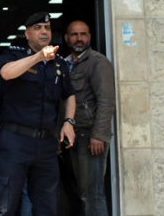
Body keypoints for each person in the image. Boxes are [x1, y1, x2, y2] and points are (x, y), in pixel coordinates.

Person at [0, 12, 76, 216]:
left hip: (46, 144)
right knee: (4, 204)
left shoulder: (59, 63)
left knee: (47, 205)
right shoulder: (14, 54)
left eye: (47, 28)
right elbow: (6, 73)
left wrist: (69, 121)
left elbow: (69, 94)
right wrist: (38, 57)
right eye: (38, 28)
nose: (44, 31)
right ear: (27, 34)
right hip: (15, 140)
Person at [64, 20, 116, 216]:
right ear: (67, 38)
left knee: (93, 194)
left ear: (89, 37)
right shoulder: (65, 64)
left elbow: (106, 100)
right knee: (80, 192)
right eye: (75, 34)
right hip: (73, 136)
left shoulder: (98, 62)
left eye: (83, 34)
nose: (79, 38)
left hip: (90, 136)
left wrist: (99, 135)